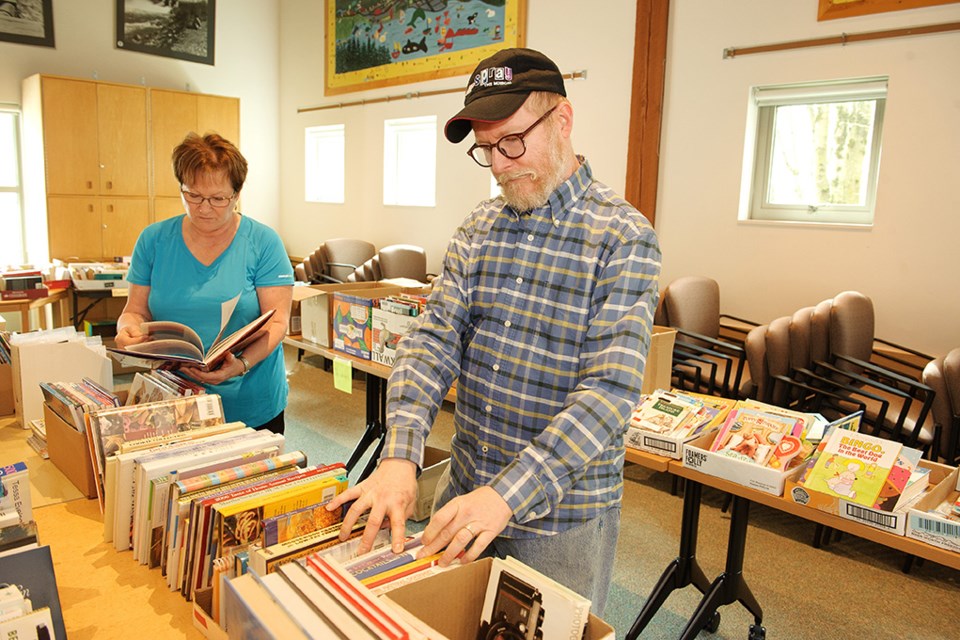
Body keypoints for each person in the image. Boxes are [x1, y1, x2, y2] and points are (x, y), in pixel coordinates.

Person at [328, 48, 661, 614]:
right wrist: (400, 456)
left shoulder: (623, 237)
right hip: (464, 493)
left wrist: (506, 497)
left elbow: (608, 395)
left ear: (563, 120)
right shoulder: (480, 227)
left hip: (559, 523)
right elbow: (432, 343)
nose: (501, 165)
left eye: (511, 141)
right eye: (486, 149)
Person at [115, 132, 294, 434]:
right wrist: (126, 330)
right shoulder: (154, 239)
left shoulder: (263, 242)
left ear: (237, 194)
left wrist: (241, 364)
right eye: (193, 195)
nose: (204, 208)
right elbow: (135, 310)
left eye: (218, 199)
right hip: (174, 398)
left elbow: (276, 323)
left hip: (249, 400)